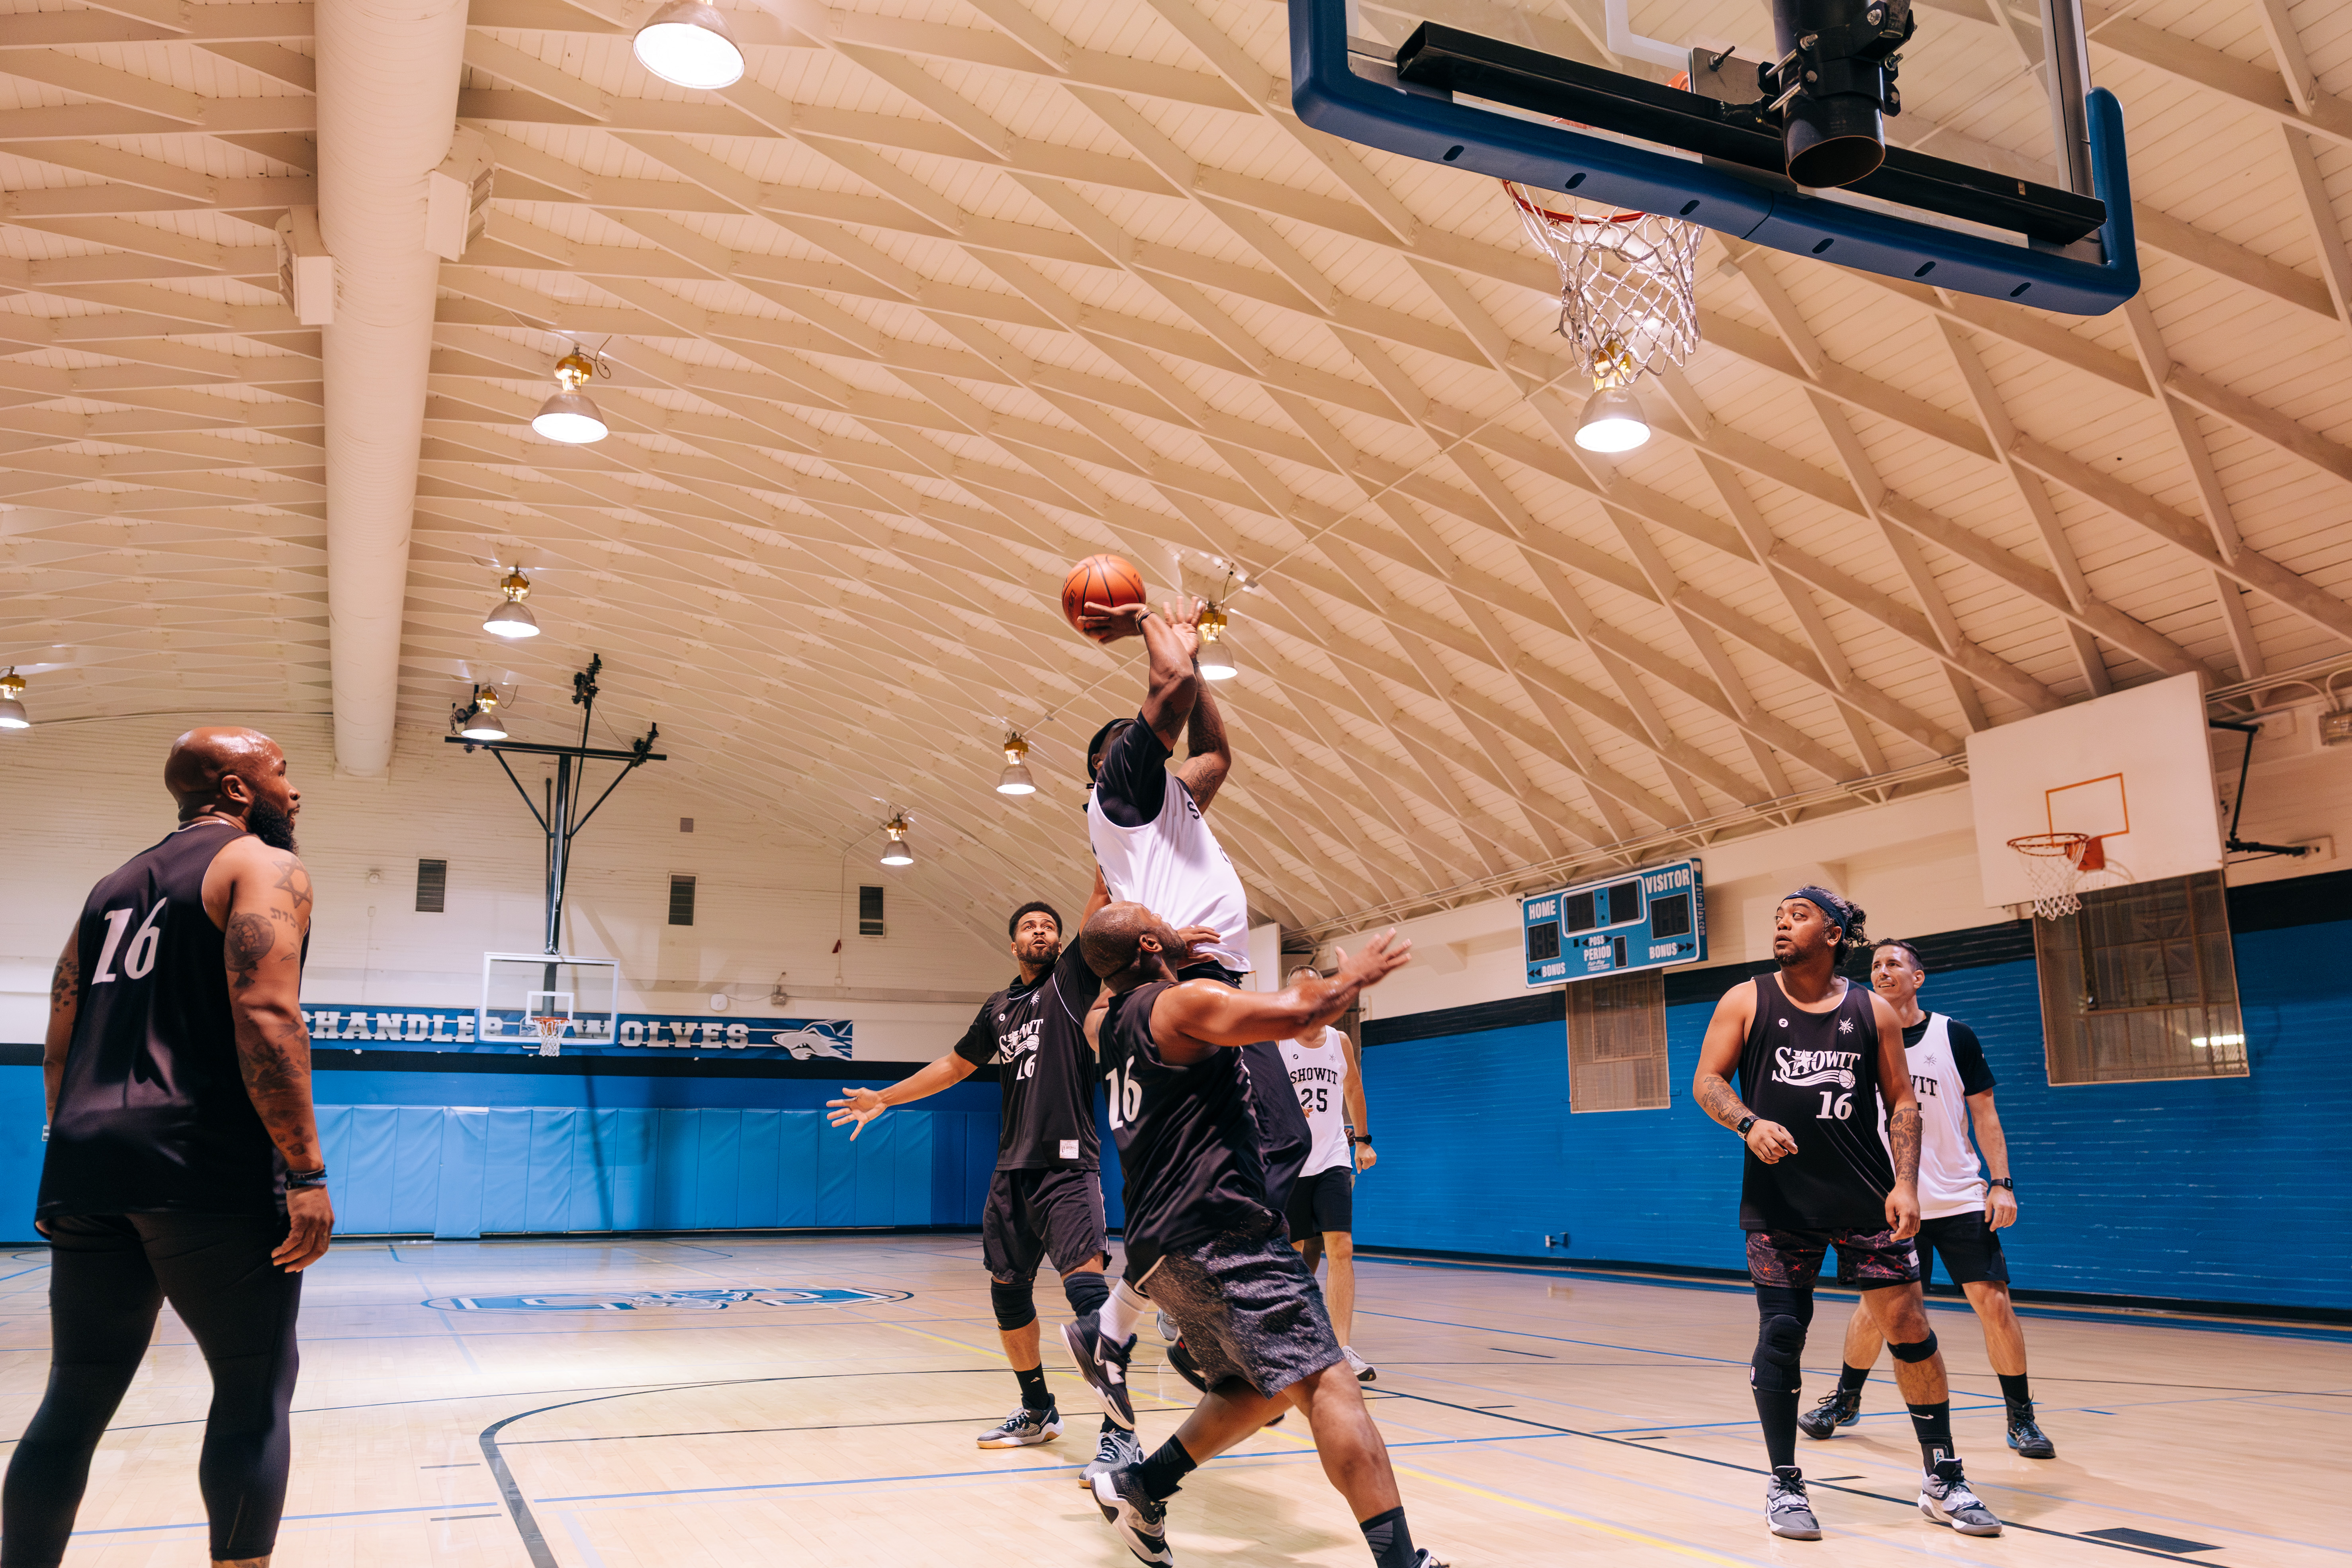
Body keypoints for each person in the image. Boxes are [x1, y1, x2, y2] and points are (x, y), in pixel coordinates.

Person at [6, 727, 333, 1568]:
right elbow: (268, 1015)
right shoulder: (261, 864)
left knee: (73, 1397)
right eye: (281, 773)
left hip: (84, 1162)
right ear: (233, 788)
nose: (293, 793)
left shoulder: (109, 889)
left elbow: (59, 1037)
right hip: (203, 1162)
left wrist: (72, 1145)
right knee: (254, 1389)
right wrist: (305, 1170)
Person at [1073, 903, 1442, 1568]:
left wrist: (1156, 953)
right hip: (1226, 1234)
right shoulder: (1185, 1003)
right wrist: (1349, 979)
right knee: (1331, 1387)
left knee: (1261, 1386)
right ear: (1154, 943)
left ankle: (1143, 1484)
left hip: (1162, 1252)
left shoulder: (1110, 1024)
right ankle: (1401, 1562)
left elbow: (1107, 976)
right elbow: (1301, 1015)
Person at [1691, 887, 2002, 1543]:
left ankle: (1942, 1475)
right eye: (1778, 915)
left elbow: (1902, 1103)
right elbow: (1707, 1081)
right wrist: (1748, 1123)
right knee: (1782, 1332)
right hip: (1780, 1203)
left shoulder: (1873, 1011)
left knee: (1909, 1321)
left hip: (1865, 1197)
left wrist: (1907, 1183)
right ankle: (1784, 1481)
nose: (1781, 922)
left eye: (1797, 915)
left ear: (1832, 933)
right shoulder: (1747, 999)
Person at [1065, 592, 1313, 1403]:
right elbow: (1167, 692)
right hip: (1188, 988)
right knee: (1274, 1142)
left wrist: (1198, 668)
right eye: (1139, 744)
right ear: (1116, 762)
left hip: (1200, 982)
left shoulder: (1166, 804)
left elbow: (1214, 750)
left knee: (1237, 1157)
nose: (1157, 751)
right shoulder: (1124, 792)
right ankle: (1156, 1313)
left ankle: (1123, 1321)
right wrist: (1146, 618)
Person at [826, 900, 1140, 1478]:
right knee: (1006, 1292)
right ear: (1013, 944)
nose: (1040, 930)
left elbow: (1099, 902)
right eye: (1029, 926)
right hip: (1010, 1171)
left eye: (1049, 925)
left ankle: (1120, 1436)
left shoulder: (1070, 981)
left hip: (1066, 1165)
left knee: (1090, 1299)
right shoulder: (998, 1008)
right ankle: (1038, 1409)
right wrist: (885, 1098)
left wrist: (1105, 830)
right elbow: (954, 1065)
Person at [1798, 940, 2055, 1458]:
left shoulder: (1952, 1036)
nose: (1882, 971)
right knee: (1875, 1312)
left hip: (1957, 1195)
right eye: (1874, 965)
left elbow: (1985, 1115)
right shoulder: (1856, 1042)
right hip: (1888, 1199)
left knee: (1993, 1303)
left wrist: (2001, 1182)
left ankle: (2021, 1418)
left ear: (1918, 978)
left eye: (1893, 963)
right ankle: (1844, 1400)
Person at [1279, 967, 1378, 1380]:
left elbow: (1353, 1090)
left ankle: (1340, 1349)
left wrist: (1363, 1140)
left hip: (1332, 1158)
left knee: (1342, 1247)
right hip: (1287, 1161)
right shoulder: (1274, 1041)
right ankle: (1281, 1339)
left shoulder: (1339, 1041)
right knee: (1290, 1251)